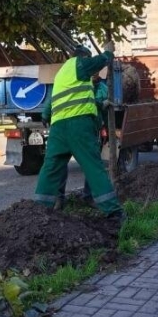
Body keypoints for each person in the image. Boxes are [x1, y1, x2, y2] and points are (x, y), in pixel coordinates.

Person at [34, 43, 126, 222]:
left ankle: (38, 210)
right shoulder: (78, 63)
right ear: (83, 56)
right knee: (93, 166)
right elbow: (101, 60)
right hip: (77, 126)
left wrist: (100, 105)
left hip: (58, 128)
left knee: (51, 168)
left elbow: (73, 99)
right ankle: (113, 212)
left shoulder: (63, 73)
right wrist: (108, 51)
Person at [44, 67, 109, 210]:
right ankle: (58, 199)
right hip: (73, 129)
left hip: (91, 131)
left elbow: (102, 110)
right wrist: (45, 114)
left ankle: (89, 197)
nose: (93, 74)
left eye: (95, 71)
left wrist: (105, 128)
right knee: (60, 165)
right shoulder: (77, 84)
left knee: (91, 165)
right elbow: (53, 99)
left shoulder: (103, 89)